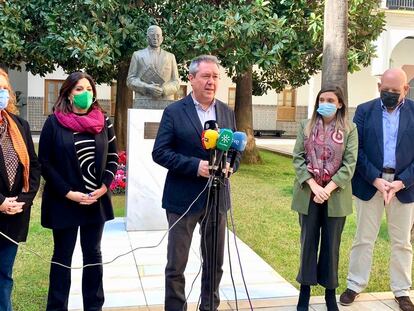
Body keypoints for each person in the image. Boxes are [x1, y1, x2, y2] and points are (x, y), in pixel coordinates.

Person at [152, 55, 240, 311]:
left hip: (217, 197)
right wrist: (195, 166)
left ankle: (209, 307)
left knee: (215, 262)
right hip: (182, 198)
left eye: (215, 77)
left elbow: (235, 150)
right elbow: (160, 152)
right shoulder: (174, 111)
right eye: (205, 76)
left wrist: (230, 166)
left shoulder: (226, 111)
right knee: (176, 264)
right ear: (191, 79)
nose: (211, 82)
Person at [39, 72, 118, 311]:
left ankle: (94, 306)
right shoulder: (54, 122)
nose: (86, 93)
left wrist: (104, 186)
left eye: (89, 88)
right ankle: (56, 306)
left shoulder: (104, 121)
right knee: (62, 256)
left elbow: (113, 157)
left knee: (93, 255)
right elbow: (45, 163)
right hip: (64, 202)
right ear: (68, 94)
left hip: (96, 201)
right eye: (79, 89)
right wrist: (68, 192)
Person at [339, 68, 414, 311]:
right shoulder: (364, 111)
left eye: (395, 91)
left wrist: (401, 182)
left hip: (403, 186)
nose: (389, 94)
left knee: (402, 242)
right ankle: (355, 284)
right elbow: (355, 150)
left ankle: (402, 290)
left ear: (406, 90)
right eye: (385, 90)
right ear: (379, 87)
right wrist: (376, 179)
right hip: (371, 184)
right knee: (363, 238)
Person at [291, 86, 358, 311]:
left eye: (330, 99)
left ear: (340, 104)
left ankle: (330, 294)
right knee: (308, 242)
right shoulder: (306, 126)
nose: (325, 102)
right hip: (308, 194)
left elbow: (349, 165)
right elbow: (298, 158)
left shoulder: (350, 129)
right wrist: (313, 186)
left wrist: (327, 189)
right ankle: (305, 293)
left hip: (335, 195)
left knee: (331, 245)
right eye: (322, 99)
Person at [0, 69, 41, 311]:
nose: (1, 94)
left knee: (4, 276)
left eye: (4, 89)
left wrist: (23, 200)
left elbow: (34, 166)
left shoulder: (20, 125)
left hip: (14, 216)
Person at [127, 25, 180, 101]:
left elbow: (176, 81)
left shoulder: (170, 57)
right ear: (147, 38)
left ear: (162, 38)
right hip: (143, 100)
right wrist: (146, 87)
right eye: (152, 35)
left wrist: (164, 89)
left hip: (165, 101)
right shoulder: (137, 55)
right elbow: (130, 80)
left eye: (158, 35)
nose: (155, 38)